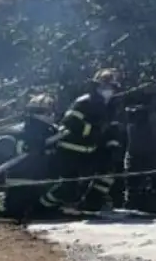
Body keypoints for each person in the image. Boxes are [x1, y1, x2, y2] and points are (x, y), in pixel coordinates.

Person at [32, 68, 125, 218]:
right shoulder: (84, 102)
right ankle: (41, 208)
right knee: (68, 187)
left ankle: (92, 203)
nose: (107, 91)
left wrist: (112, 145)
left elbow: (112, 128)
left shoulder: (112, 106)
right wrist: (91, 128)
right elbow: (70, 123)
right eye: (104, 87)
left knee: (108, 170)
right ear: (96, 87)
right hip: (70, 151)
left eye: (111, 88)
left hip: (90, 150)